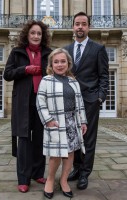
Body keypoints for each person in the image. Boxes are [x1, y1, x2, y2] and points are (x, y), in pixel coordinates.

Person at [3, 20, 52, 193]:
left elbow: (56, 72)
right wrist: (25, 69)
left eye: (39, 33)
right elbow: (7, 74)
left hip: (43, 101)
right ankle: (23, 179)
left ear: (43, 36)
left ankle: (38, 173)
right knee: (24, 139)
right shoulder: (17, 52)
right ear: (27, 34)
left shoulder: (49, 53)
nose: (36, 36)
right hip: (23, 102)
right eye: (33, 33)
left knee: (40, 138)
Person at [64, 11, 109, 190]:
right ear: (73, 26)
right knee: (73, 137)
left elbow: (104, 76)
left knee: (88, 138)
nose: (80, 27)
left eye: (84, 23)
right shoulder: (66, 50)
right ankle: (76, 168)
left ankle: (85, 173)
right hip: (70, 101)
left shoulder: (98, 49)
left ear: (88, 27)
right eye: (77, 23)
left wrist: (100, 97)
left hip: (90, 101)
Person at [36, 48, 87, 199]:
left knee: (70, 153)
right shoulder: (46, 80)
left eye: (63, 61)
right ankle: (50, 180)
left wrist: (83, 121)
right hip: (56, 123)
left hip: (72, 122)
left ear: (68, 63)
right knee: (55, 155)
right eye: (56, 62)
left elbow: (80, 104)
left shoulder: (74, 81)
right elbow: (40, 102)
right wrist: (48, 120)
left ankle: (64, 181)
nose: (59, 64)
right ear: (51, 64)